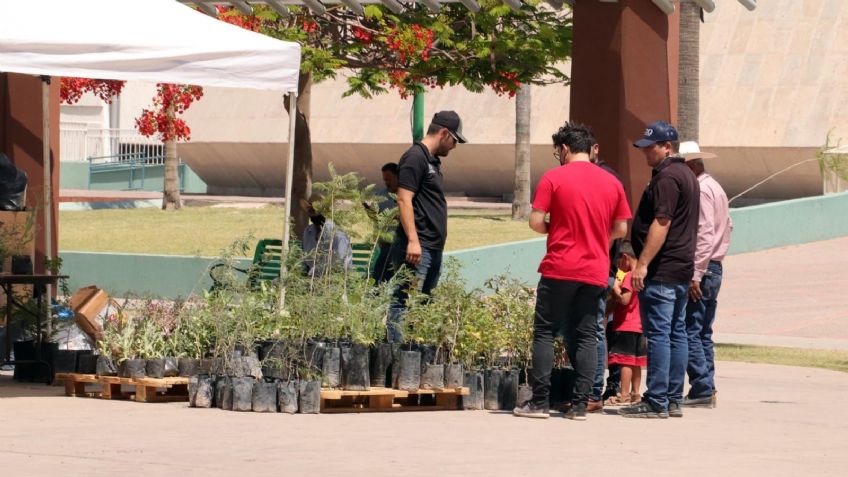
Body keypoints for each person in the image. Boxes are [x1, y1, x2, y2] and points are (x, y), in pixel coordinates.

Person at [513, 122, 630, 420]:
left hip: (560, 266)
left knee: (545, 332)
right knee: (587, 335)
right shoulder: (612, 182)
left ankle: (539, 402)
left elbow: (535, 221)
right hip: (595, 269)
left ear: (564, 149)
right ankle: (580, 405)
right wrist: (597, 238)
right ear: (590, 148)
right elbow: (620, 228)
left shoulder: (554, 178)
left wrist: (557, 229)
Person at [620, 121, 700, 419]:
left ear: (667, 147)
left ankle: (656, 400)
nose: (645, 153)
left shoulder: (667, 177)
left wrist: (642, 264)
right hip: (680, 268)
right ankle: (672, 398)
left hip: (663, 269)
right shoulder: (687, 174)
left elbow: (662, 222)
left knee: (659, 335)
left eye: (650, 147)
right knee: (676, 333)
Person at [386, 111, 466, 342]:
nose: (455, 146)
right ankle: (397, 351)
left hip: (432, 247)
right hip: (418, 247)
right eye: (455, 140)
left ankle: (414, 347)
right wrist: (413, 240)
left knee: (423, 303)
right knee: (404, 300)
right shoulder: (415, 157)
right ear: (444, 133)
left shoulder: (431, 161)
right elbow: (404, 199)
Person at [679, 141, 732, 408]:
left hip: (704, 268)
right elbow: (727, 227)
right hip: (715, 266)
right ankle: (707, 386)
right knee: (702, 332)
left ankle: (702, 387)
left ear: (690, 166)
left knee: (691, 329)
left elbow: (704, 232)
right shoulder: (716, 187)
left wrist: (696, 274)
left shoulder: (700, 190)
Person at [588, 141, 627, 410]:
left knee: (600, 328)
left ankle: (598, 389)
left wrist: (602, 246)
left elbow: (620, 228)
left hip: (605, 267)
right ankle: (599, 388)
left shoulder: (606, 178)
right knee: (601, 328)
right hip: (606, 266)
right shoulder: (605, 177)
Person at [606, 241, 647, 406]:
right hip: (640, 325)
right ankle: (635, 393)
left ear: (625, 258)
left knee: (625, 360)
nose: (619, 268)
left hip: (627, 324)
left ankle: (623, 394)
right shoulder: (642, 275)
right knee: (636, 362)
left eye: (619, 263)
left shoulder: (630, 276)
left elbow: (625, 300)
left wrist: (615, 289)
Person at [300, 198, 352, 277]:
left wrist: (314, 272)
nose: (313, 215)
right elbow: (304, 258)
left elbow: (337, 260)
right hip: (310, 278)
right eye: (311, 211)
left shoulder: (338, 234)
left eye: (316, 211)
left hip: (336, 278)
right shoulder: (308, 231)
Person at [371, 163, 400, 282]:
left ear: (398, 176)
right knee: (379, 277)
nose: (386, 183)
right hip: (386, 245)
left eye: (389, 179)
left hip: (402, 245)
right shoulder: (379, 196)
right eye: (384, 180)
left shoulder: (410, 196)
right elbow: (375, 220)